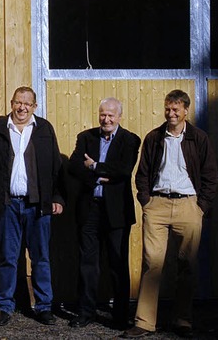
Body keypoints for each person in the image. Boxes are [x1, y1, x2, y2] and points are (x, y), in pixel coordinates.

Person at [123, 90, 218, 339]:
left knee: (187, 263)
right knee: (152, 262)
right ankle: (144, 322)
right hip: (158, 205)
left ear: (186, 110)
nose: (171, 114)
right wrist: (147, 201)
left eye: (176, 109)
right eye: (168, 109)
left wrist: (201, 205)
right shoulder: (154, 137)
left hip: (189, 205)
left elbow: (211, 175)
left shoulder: (198, 138)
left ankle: (182, 320)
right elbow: (142, 173)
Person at [0, 86, 64, 327]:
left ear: (34, 106)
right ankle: (5, 306)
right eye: (18, 102)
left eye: (27, 103)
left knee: (41, 257)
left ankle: (44, 306)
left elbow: (55, 167)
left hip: (38, 205)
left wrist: (57, 197)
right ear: (11, 103)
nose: (22, 107)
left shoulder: (44, 129)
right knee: (7, 257)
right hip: (8, 204)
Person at [68, 97, 141, 329]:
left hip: (116, 212)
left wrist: (95, 166)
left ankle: (120, 315)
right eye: (102, 114)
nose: (106, 119)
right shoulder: (86, 137)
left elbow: (123, 171)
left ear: (119, 117)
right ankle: (85, 312)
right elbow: (74, 167)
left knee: (118, 263)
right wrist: (99, 172)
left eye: (111, 115)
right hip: (90, 210)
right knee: (88, 263)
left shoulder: (130, 140)